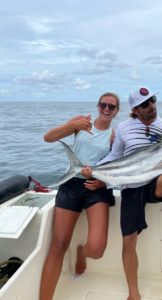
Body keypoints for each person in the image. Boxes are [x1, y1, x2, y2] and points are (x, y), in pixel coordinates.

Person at [83, 86, 162, 300]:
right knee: (129, 240)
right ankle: (134, 292)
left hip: (155, 182)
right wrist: (95, 171)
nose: (150, 106)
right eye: (144, 104)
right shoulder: (124, 128)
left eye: (152, 100)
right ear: (135, 110)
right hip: (131, 186)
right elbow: (115, 155)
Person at [39, 92, 120, 300]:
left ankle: (82, 252)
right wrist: (74, 126)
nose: (107, 109)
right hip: (71, 185)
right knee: (58, 246)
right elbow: (48, 138)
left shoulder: (114, 135)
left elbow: (116, 166)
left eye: (112, 107)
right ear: (98, 106)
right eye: (104, 105)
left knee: (97, 249)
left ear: (117, 111)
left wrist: (103, 181)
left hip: (97, 187)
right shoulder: (80, 122)